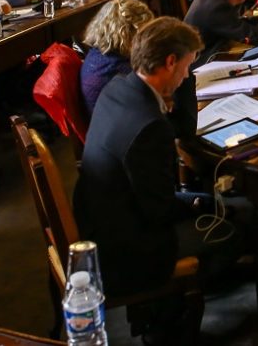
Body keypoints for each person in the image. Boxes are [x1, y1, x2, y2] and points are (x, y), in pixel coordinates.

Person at [74, 17, 229, 343]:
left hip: (101, 219)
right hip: (128, 249)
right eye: (187, 66)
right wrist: (199, 204)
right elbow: (159, 211)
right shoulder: (150, 127)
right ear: (170, 62)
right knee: (231, 223)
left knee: (212, 205)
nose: (187, 75)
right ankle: (174, 323)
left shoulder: (119, 87)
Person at [79, 0, 155, 115]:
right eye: (143, 34)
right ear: (127, 33)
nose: (146, 40)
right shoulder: (116, 68)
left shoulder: (99, 53)